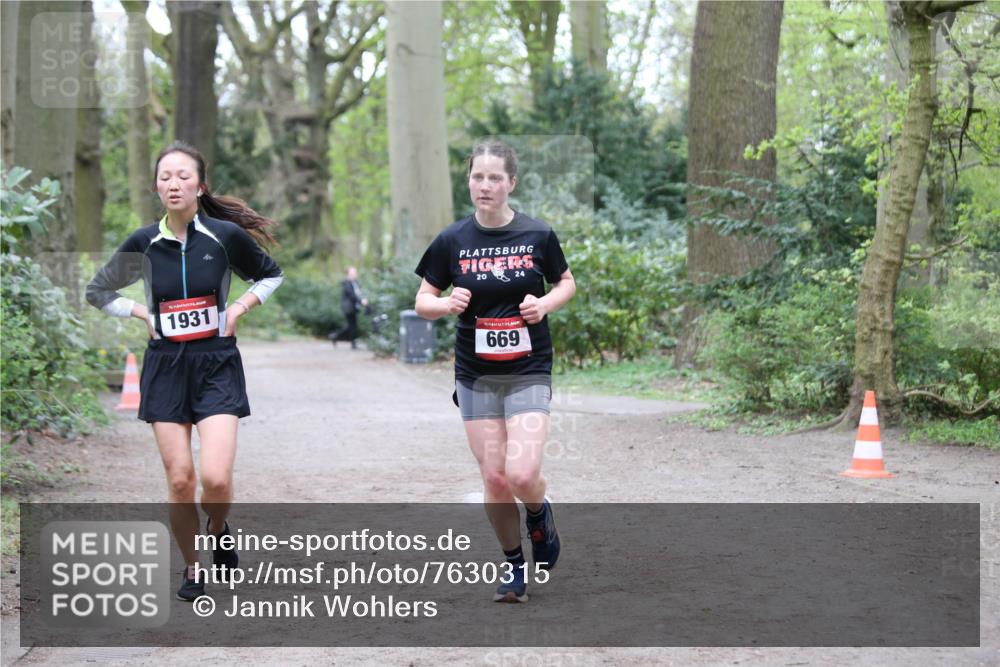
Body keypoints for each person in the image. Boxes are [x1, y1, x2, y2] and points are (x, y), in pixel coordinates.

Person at [86, 141, 283, 601]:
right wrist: (143, 314)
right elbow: (98, 291)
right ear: (156, 187)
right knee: (179, 479)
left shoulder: (223, 236)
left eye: (183, 176)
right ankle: (193, 568)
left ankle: (218, 528)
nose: (173, 184)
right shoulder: (143, 242)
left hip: (216, 363)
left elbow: (271, 274)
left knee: (215, 478)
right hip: (165, 367)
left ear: (200, 185)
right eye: (165, 177)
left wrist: (237, 309)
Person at [414, 140, 576, 602]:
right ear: (469, 181)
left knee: (522, 475)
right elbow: (423, 300)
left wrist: (543, 304)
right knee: (495, 478)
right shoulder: (452, 240)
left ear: (511, 184)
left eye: (494, 178)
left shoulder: (537, 234)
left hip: (527, 368)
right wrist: (445, 304)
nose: (484, 186)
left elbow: (567, 282)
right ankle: (513, 566)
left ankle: (539, 514)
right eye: (477, 177)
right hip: (475, 376)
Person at [330, 266, 368, 349]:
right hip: (348, 308)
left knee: (351, 326)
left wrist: (363, 299)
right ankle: (352, 343)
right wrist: (361, 301)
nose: (355, 274)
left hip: (354, 307)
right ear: (349, 274)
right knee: (352, 326)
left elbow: (358, 294)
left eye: (355, 273)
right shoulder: (347, 284)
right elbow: (352, 296)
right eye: (354, 273)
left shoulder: (355, 283)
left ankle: (336, 336)